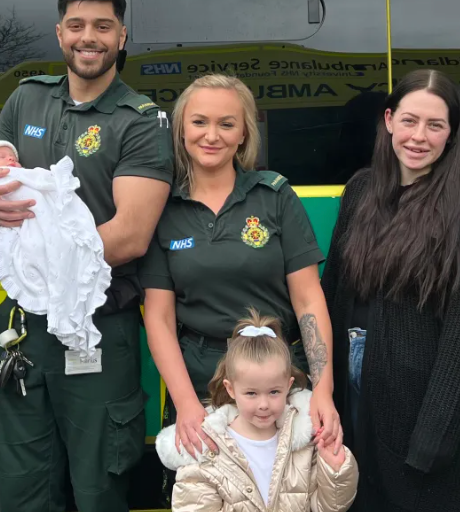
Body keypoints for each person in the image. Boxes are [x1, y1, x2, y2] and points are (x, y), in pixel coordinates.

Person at [0, 0, 173, 512]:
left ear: (122, 36)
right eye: (76, 25)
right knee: (23, 487)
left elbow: (129, 236)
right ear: (59, 33)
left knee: (99, 488)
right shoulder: (25, 100)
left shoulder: (140, 122)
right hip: (23, 327)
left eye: (102, 26)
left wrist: (42, 258)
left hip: (97, 326)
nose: (88, 37)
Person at [139, 74, 342, 502]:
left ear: (244, 132)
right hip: (201, 389)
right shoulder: (163, 208)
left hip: (278, 387)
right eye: (199, 122)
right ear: (181, 130)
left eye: (226, 124)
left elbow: (308, 299)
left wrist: (323, 389)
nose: (211, 135)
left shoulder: (274, 196)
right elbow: (158, 317)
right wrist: (186, 404)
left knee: (288, 500)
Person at [322, 69, 460, 511]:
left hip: (422, 415)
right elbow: (332, 293)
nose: (419, 137)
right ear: (389, 121)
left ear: (452, 133)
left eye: (435, 125)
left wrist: (431, 444)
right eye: (409, 120)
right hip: (355, 396)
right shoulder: (360, 191)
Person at [156, 311, 357, 512]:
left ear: (289, 386)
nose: (263, 404)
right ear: (230, 389)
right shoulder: (207, 448)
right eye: (251, 393)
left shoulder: (304, 440)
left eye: (274, 392)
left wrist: (335, 471)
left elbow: (328, 507)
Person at [0, 137, 111, 357]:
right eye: (1, 157)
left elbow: (44, 187)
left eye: (12, 157)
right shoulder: (0, 180)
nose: (10, 159)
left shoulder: (25, 176)